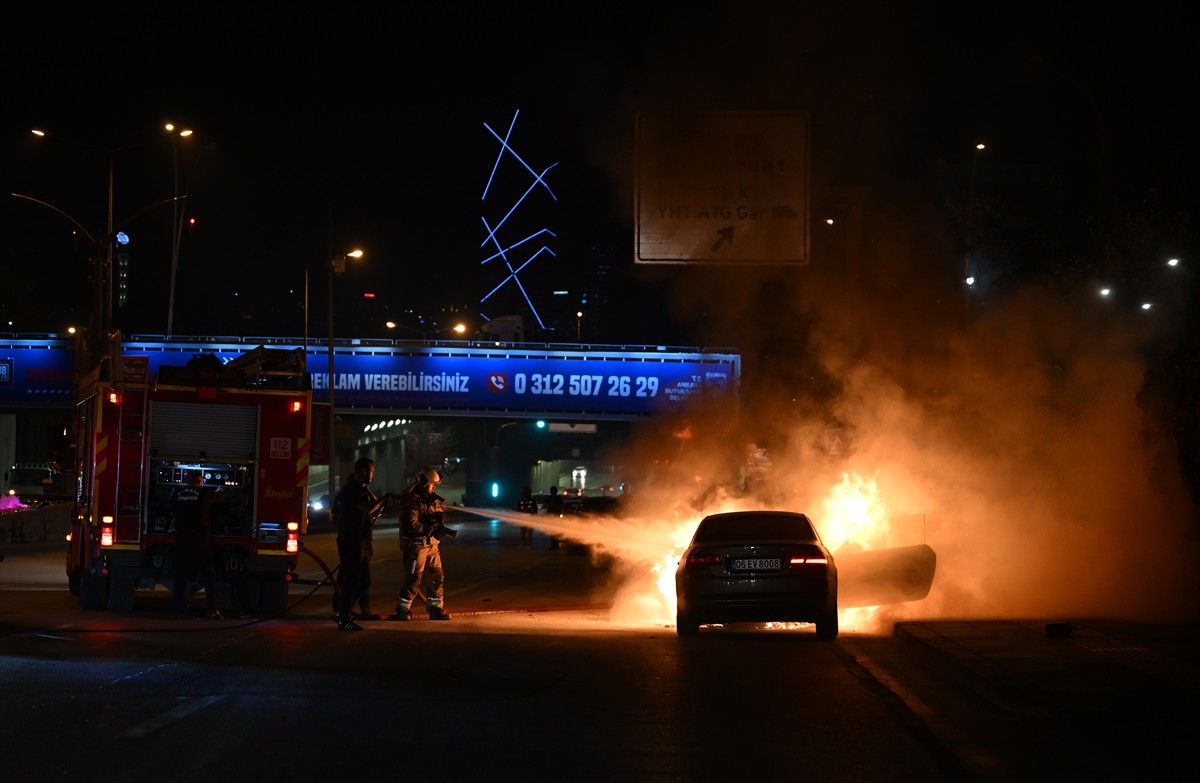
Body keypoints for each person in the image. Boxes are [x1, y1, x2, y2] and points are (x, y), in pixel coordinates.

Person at [334, 457, 394, 631]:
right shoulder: (351, 491)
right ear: (361, 471)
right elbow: (367, 509)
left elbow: (373, 512)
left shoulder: (365, 491)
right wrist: (382, 500)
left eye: (373, 472)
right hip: (352, 541)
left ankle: (345, 612)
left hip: (365, 541)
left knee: (364, 580)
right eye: (370, 471)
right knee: (351, 579)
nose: (372, 475)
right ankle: (344, 617)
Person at [389, 467, 452, 621]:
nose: (434, 487)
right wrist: (427, 528)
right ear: (424, 483)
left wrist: (439, 522)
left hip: (432, 545)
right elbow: (411, 522)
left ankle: (435, 608)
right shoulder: (413, 500)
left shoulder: (432, 499)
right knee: (413, 578)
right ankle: (402, 609)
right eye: (432, 484)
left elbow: (439, 515)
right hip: (417, 545)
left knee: (437, 575)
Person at [172, 470, 223, 620]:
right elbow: (219, 499)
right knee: (209, 575)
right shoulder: (205, 495)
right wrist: (221, 492)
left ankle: (179, 610)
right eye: (201, 482)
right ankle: (213, 609)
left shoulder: (177, 495)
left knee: (180, 576)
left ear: (187, 481)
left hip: (182, 539)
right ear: (198, 482)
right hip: (200, 540)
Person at [545, 485, 564, 550]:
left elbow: (561, 506)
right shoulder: (555, 498)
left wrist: (553, 506)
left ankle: (555, 546)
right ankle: (554, 546)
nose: (552, 493)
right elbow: (545, 505)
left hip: (555, 517)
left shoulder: (555, 498)